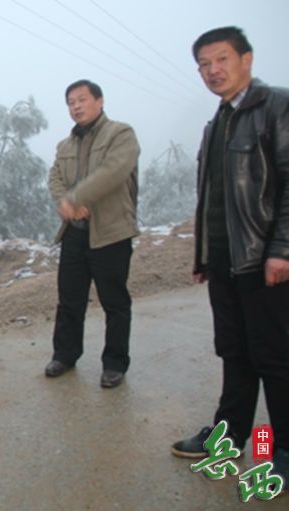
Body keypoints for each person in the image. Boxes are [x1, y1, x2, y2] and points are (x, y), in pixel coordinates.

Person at [171, 27, 289, 483]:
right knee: (234, 352)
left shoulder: (276, 106)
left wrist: (282, 249)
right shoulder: (216, 122)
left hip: (266, 260)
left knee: (274, 356)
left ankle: (284, 450)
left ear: (247, 59)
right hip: (226, 260)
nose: (212, 71)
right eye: (204, 64)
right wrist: (205, 256)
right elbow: (215, 197)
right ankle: (230, 436)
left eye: (221, 59)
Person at [44, 79, 140, 389]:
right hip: (74, 233)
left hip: (111, 233)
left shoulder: (121, 134)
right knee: (69, 300)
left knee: (115, 302)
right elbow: (55, 177)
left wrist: (77, 198)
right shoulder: (65, 145)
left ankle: (114, 363)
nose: (76, 106)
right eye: (71, 102)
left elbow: (113, 171)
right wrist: (65, 200)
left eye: (82, 99)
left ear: (100, 101)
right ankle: (65, 355)